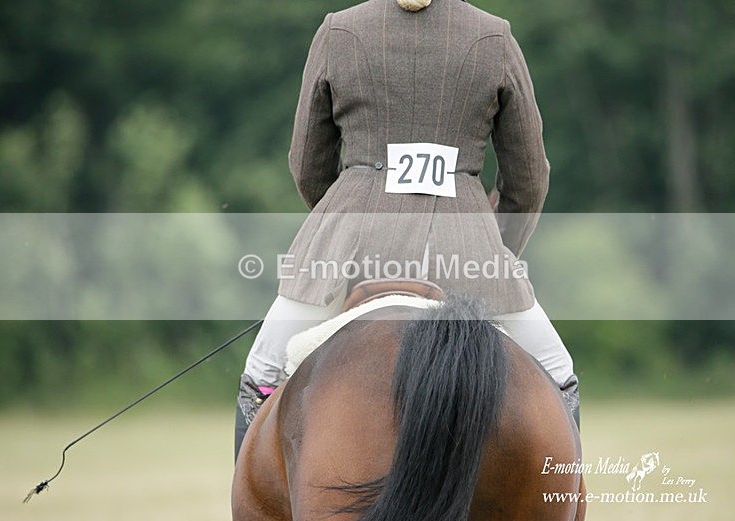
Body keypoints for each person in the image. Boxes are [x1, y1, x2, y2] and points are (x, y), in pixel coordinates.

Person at [234, 0, 579, 459]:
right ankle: (560, 497)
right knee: (557, 373)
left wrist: (344, 229)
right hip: (466, 247)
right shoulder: (494, 37)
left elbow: (307, 166)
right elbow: (528, 180)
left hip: (350, 246)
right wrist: (494, 252)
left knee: (262, 374)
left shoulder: (339, 31)